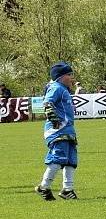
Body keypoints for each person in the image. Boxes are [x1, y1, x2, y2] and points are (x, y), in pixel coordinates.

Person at [35, 62, 78, 200]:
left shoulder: (64, 89)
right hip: (57, 130)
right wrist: (52, 116)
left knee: (71, 160)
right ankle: (44, 187)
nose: (72, 78)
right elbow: (48, 102)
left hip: (68, 130)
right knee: (58, 158)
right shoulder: (56, 87)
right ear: (60, 77)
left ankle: (67, 189)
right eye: (69, 75)